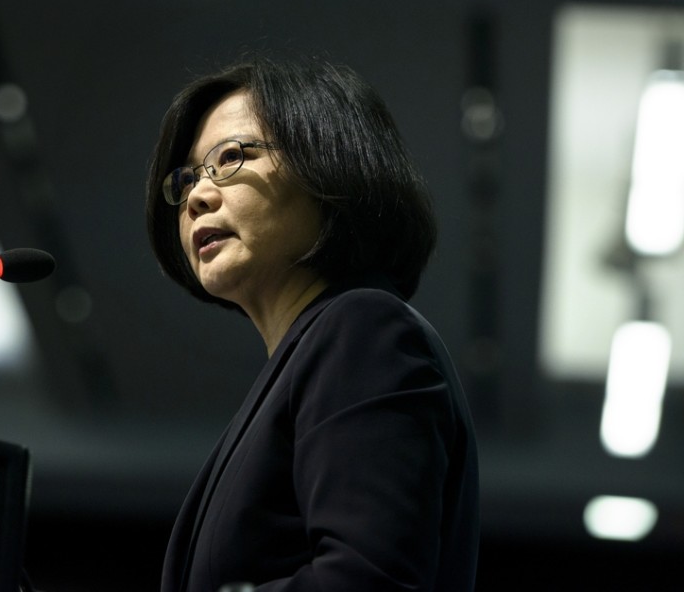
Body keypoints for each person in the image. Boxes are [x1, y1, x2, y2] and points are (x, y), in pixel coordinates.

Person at [145, 57, 479, 592]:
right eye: (187, 178)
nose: (197, 197)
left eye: (229, 158)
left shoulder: (364, 331)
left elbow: (368, 580)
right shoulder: (311, 354)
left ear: (328, 164)